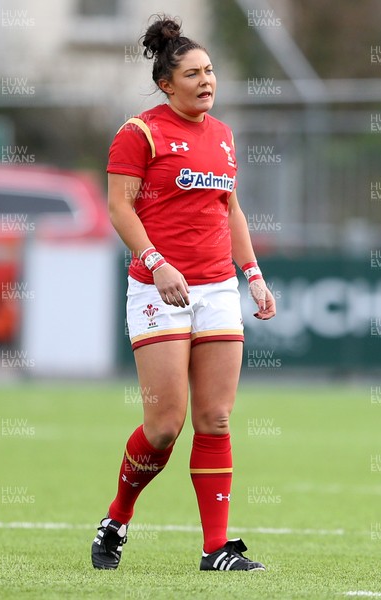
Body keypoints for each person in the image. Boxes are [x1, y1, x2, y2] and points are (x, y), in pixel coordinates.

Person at [92, 14, 276, 572]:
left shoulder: (221, 135)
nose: (206, 80)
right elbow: (119, 206)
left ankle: (215, 549)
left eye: (211, 71)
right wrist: (156, 262)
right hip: (156, 289)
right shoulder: (139, 132)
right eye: (194, 73)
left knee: (216, 419)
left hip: (217, 287)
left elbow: (231, 210)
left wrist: (253, 275)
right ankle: (117, 518)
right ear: (166, 83)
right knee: (165, 424)